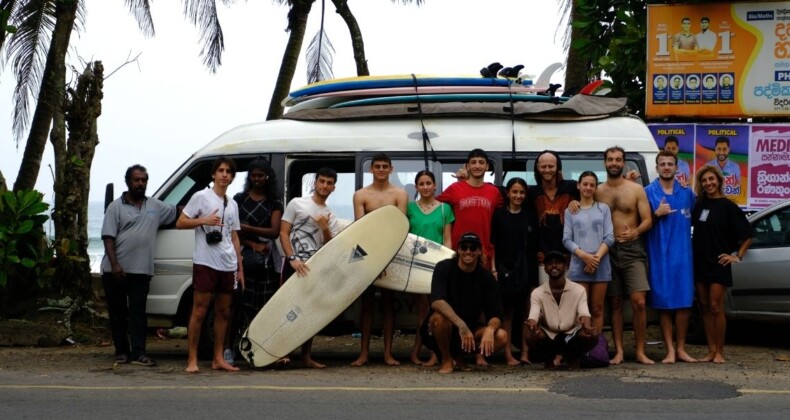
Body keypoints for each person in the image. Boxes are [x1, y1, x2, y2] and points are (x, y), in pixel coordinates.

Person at [101, 164, 177, 367]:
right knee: (118, 313)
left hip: (141, 270)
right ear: (128, 182)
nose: (140, 183)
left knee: (138, 314)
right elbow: (108, 238)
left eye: (143, 180)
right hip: (115, 270)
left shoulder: (155, 206)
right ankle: (121, 352)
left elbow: (178, 212)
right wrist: (115, 264)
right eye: (137, 180)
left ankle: (139, 353)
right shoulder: (115, 207)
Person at [176, 156, 244, 373]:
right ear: (214, 174)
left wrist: (239, 268)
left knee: (224, 312)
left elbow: (234, 237)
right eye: (221, 170)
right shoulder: (201, 197)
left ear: (232, 177)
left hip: (228, 264)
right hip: (206, 262)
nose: (224, 174)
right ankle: (192, 360)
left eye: (229, 172)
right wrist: (203, 221)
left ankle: (218, 358)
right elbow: (181, 222)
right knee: (199, 311)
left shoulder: (232, 204)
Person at [595, 146, 654, 365]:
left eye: (618, 159)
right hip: (607, 251)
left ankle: (640, 351)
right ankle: (618, 351)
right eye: (610, 159)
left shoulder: (636, 190)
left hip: (633, 250)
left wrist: (635, 232)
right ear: (605, 163)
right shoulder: (598, 191)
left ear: (623, 163)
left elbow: (648, 219)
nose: (614, 163)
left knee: (639, 302)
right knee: (615, 302)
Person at [419, 232, 509, 374]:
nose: (468, 251)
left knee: (501, 336)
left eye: (473, 248)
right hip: (440, 329)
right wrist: (461, 325)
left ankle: (459, 355)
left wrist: (490, 329)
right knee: (439, 318)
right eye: (464, 247)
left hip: (469, 331)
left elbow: (496, 314)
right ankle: (447, 359)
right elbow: (437, 302)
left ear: (479, 251)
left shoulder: (487, 278)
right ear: (458, 250)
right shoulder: (443, 268)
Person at [279, 167, 341, 368]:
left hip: (314, 267)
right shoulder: (297, 203)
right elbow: (283, 233)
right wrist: (292, 258)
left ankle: (306, 356)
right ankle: (283, 352)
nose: (324, 186)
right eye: (321, 181)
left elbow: (329, 245)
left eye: (329, 183)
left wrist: (324, 228)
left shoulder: (331, 215)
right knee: (287, 309)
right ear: (315, 182)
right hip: (293, 265)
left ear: (333, 187)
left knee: (309, 312)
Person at [351, 153, 409, 367]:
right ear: (371, 169)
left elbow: (399, 227)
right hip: (368, 253)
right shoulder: (361, 195)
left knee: (387, 304)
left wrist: (386, 258)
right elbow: (361, 226)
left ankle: (388, 353)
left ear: (391, 169)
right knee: (366, 305)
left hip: (391, 253)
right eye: (378, 166)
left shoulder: (400, 194)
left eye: (385, 166)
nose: (381, 170)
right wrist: (374, 258)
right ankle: (363, 353)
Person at [692, 165, 753, 364]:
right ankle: (710, 351)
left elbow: (747, 235)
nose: (708, 183)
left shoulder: (728, 206)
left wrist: (737, 256)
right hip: (700, 262)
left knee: (717, 306)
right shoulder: (699, 204)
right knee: (705, 307)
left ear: (718, 180)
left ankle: (720, 351)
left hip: (719, 263)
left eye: (711, 179)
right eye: (704, 180)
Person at [226, 158, 283, 365]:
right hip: (243, 260)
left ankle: (259, 350)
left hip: (266, 263)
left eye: (261, 175)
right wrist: (253, 244)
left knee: (263, 308)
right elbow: (232, 230)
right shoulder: (239, 200)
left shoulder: (274, 202)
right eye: (254, 175)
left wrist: (247, 228)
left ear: (268, 177)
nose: (257, 179)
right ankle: (229, 349)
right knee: (238, 307)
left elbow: (275, 231)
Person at [645, 152, 698, 364]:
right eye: (662, 164)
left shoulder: (686, 193)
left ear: (677, 168)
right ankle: (669, 350)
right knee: (664, 304)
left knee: (684, 303)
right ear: (656, 168)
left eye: (670, 164)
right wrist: (657, 214)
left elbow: (698, 213)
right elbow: (641, 222)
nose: (666, 167)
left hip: (683, 256)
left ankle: (681, 349)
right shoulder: (647, 192)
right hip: (659, 256)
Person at [406, 169, 454, 366]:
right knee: (422, 311)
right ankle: (416, 352)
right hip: (415, 266)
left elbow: (448, 240)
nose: (425, 187)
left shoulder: (445, 209)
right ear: (416, 187)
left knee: (437, 309)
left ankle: (436, 353)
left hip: (438, 267)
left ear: (435, 186)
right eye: (421, 184)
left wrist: (447, 265)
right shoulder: (409, 208)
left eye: (429, 183)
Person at [525, 251, 599, 369]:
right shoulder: (537, 292)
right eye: (549, 263)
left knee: (592, 334)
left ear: (566, 266)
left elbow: (584, 313)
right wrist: (532, 325)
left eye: (558, 263)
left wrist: (587, 326)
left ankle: (574, 358)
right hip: (550, 335)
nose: (554, 266)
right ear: (545, 269)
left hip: (571, 334)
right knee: (531, 336)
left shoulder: (579, 290)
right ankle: (549, 359)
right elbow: (533, 315)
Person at [562, 171, 613, 335]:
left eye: (592, 185)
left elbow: (610, 237)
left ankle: (596, 348)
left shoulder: (603, 209)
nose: (588, 188)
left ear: (596, 187)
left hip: (601, 264)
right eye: (585, 184)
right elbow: (567, 239)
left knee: (597, 308)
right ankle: (582, 347)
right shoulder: (570, 211)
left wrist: (595, 259)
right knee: (581, 310)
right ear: (578, 185)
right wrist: (584, 256)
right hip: (579, 265)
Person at [437, 148, 504, 269]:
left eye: (481, 162)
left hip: (483, 254)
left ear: (487, 166)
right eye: (473, 162)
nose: (477, 166)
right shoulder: (454, 189)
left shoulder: (494, 192)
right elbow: (433, 206)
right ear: (467, 166)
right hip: (459, 253)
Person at [490, 177, 533, 365]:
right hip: (504, 269)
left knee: (526, 312)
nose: (518, 195)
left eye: (522, 192)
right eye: (514, 192)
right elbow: (493, 244)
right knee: (507, 313)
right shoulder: (499, 215)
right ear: (507, 193)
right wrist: (493, 268)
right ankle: (508, 354)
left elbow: (534, 244)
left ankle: (525, 352)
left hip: (525, 269)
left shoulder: (530, 215)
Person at [528, 150, 580, 285]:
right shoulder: (531, 193)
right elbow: (508, 196)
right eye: (543, 166)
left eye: (551, 166)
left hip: (570, 259)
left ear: (558, 167)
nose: (547, 170)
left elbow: (594, 194)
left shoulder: (573, 187)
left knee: (569, 302)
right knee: (546, 302)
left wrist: (578, 202)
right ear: (538, 168)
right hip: (543, 261)